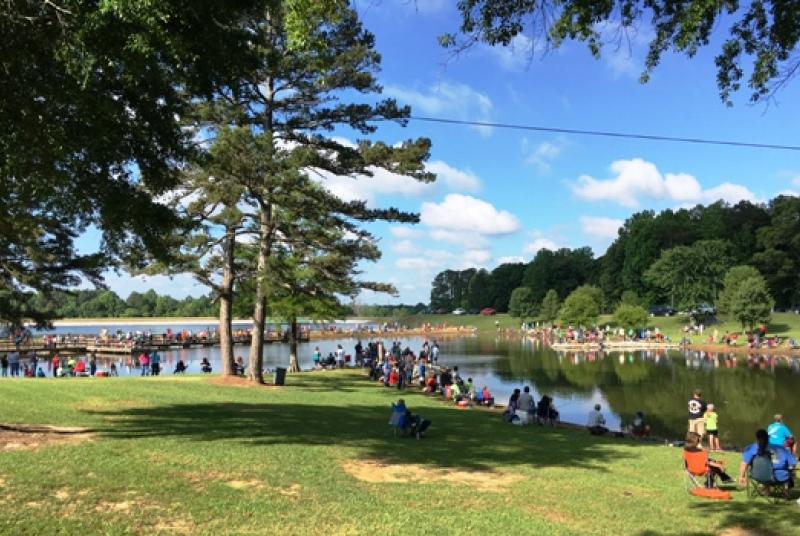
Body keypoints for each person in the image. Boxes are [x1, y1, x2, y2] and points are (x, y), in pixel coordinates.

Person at [739, 428, 797, 498]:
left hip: (758, 475)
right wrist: (791, 472)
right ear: (768, 438)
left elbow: (744, 463)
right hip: (779, 478)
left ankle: (766, 491)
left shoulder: (751, 448)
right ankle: (785, 492)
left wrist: (742, 477)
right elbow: (792, 463)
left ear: (757, 438)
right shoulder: (781, 448)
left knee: (765, 468)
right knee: (786, 471)